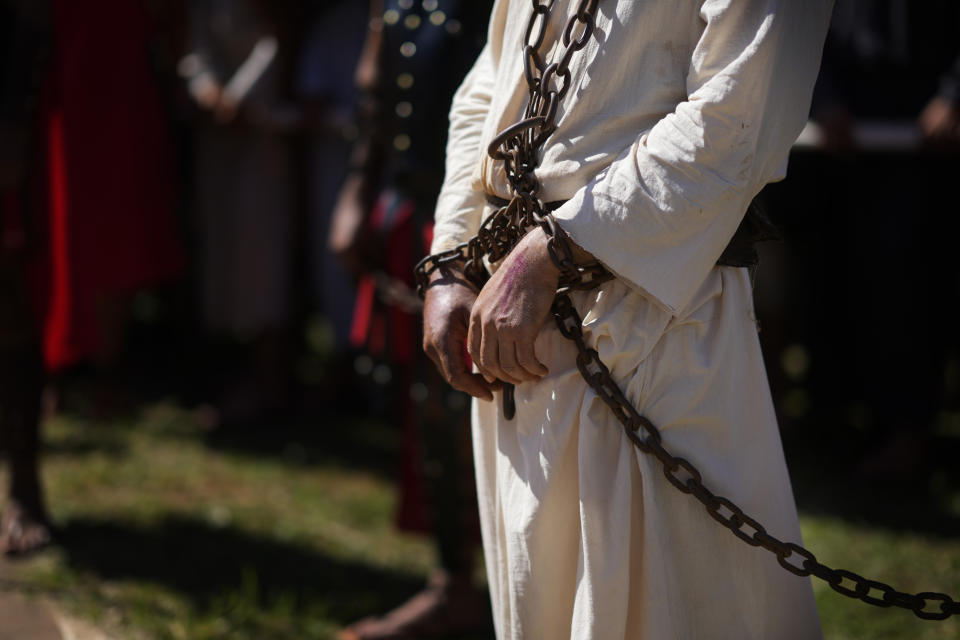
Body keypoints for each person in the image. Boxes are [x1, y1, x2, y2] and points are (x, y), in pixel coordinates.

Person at [421, 1, 832, 638]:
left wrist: (555, 248)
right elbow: (490, 80)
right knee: (538, 609)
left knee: (671, 607)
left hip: (654, 321)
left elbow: (740, 114)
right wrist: (451, 258)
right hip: (510, 313)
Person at [332, 2, 495, 638]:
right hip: (413, 214)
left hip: (479, 224)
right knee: (429, 409)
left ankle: (514, 593)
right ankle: (453, 586)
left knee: (472, 409)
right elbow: (376, 102)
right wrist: (356, 195)